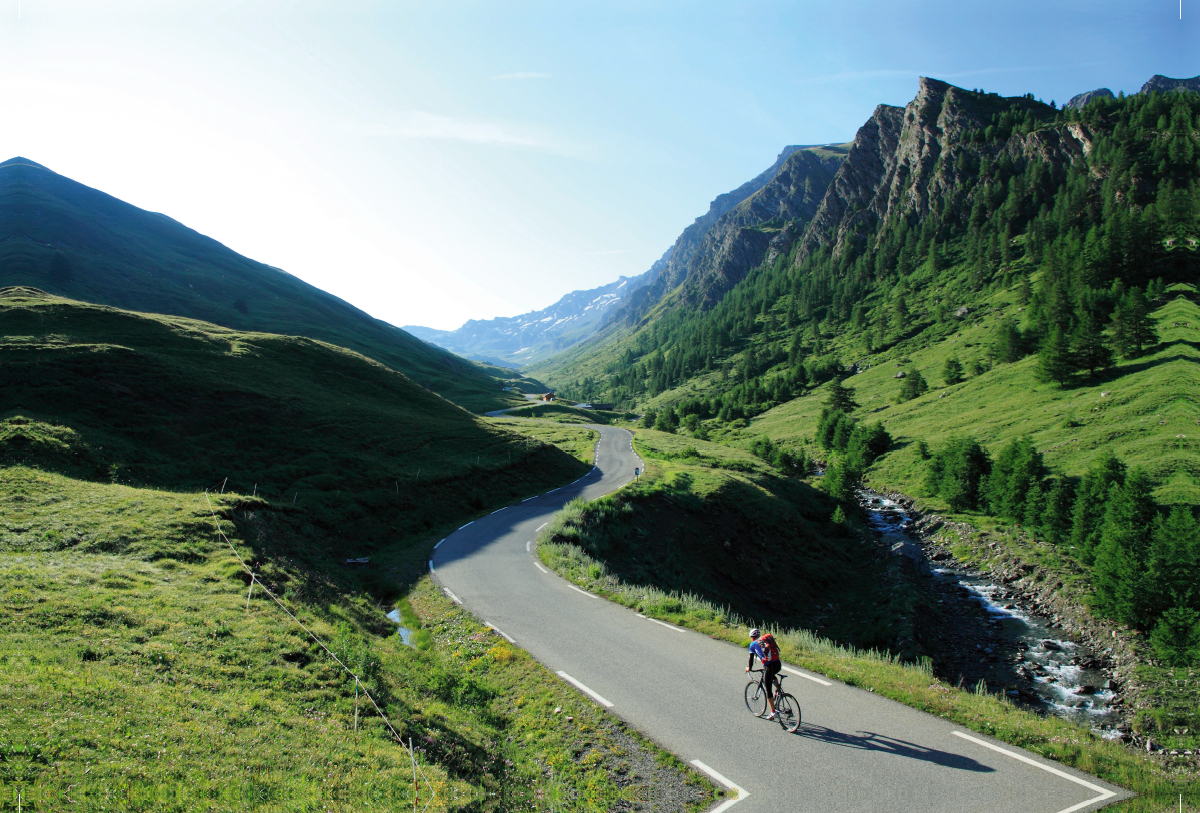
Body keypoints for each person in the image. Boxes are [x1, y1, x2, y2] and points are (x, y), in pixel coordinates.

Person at [746, 627, 781, 719]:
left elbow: (751, 659)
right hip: (778, 664)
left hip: (769, 666)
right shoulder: (766, 641)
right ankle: (778, 692)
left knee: (768, 689)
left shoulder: (753, 644)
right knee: (772, 676)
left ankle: (773, 712)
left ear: (751, 637)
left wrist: (749, 668)